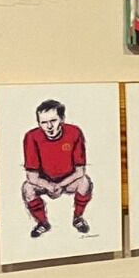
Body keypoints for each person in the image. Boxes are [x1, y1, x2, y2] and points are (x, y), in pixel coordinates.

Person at [21, 99, 93, 238]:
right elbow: (31, 176)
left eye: (53, 121)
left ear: (62, 119)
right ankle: (42, 223)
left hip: (68, 180)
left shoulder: (74, 133)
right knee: (27, 189)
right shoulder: (31, 137)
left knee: (85, 182)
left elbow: (80, 171)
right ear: (38, 123)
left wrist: (60, 185)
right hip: (44, 181)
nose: (49, 126)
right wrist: (49, 186)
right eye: (43, 122)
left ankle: (78, 218)